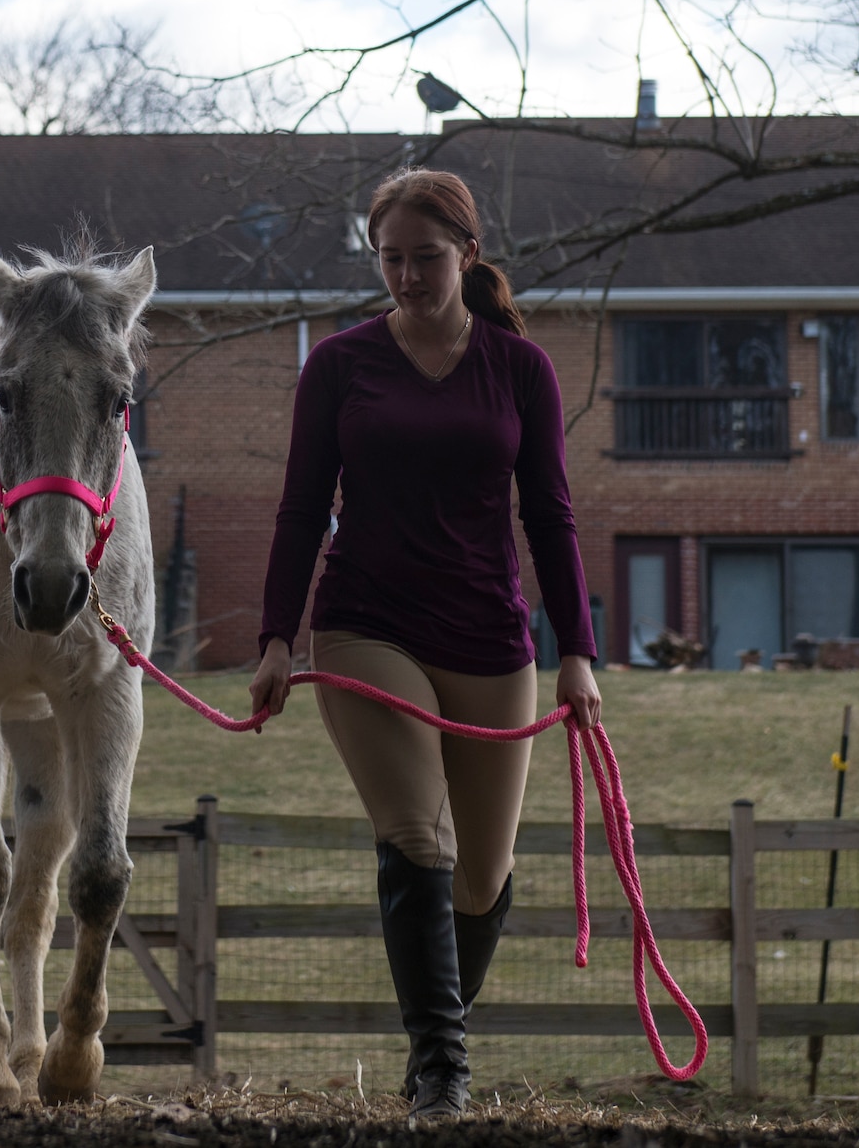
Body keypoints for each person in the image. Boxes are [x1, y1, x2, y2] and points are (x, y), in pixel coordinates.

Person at [250, 168, 603, 1119]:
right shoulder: (339, 366)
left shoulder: (520, 371)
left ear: (470, 256)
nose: (407, 277)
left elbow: (553, 515)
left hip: (491, 635)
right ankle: (444, 1073)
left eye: (426, 258)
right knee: (417, 838)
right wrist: (278, 634)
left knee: (484, 881)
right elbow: (296, 510)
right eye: (391, 260)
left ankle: (428, 1048)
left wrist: (578, 651)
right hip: (368, 624)